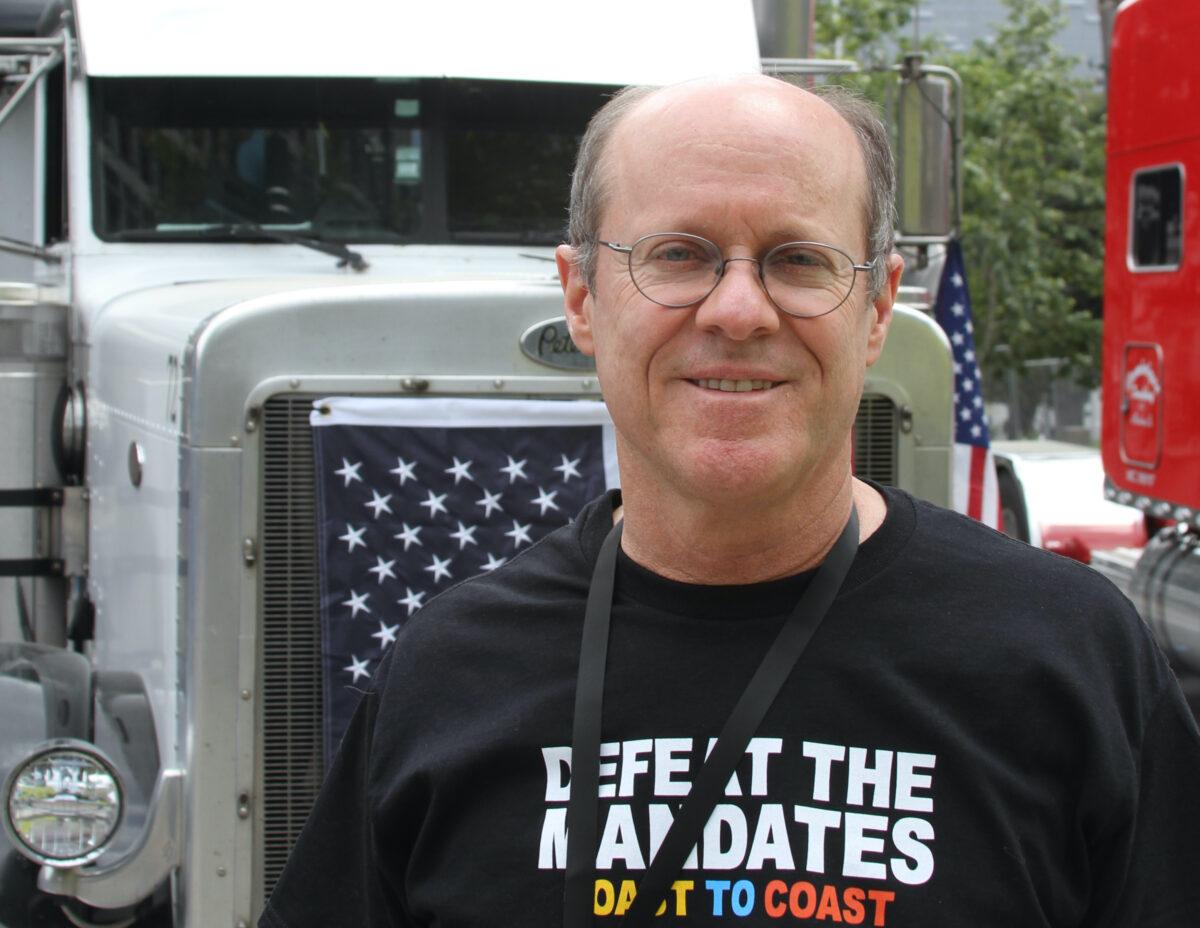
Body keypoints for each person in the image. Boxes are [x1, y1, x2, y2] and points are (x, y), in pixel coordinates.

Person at [261, 75, 1200, 927]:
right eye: (679, 254)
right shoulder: (448, 672)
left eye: (799, 260)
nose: (740, 311)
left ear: (878, 308)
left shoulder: (1071, 659)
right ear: (582, 297)